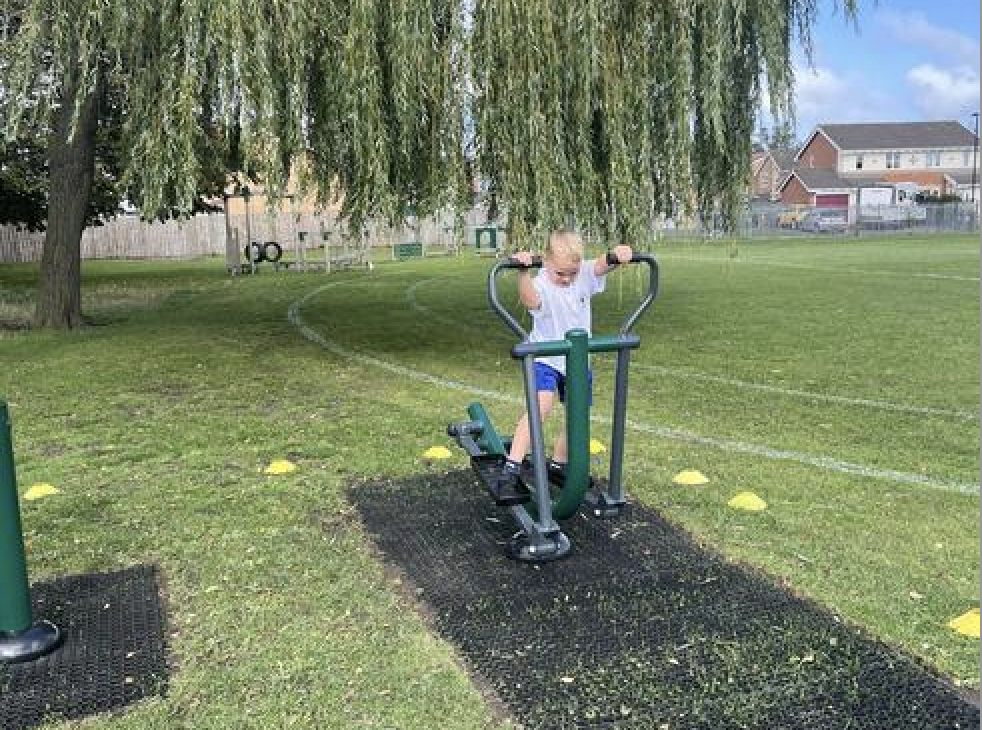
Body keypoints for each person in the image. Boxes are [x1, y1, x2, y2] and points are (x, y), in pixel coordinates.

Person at [493, 229, 633, 502]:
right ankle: (511, 468)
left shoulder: (583, 274)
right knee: (540, 407)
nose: (568, 279)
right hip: (545, 357)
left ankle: (558, 464)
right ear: (545, 261)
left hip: (577, 359)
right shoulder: (542, 282)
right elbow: (530, 301)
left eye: (572, 272)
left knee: (577, 416)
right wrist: (523, 271)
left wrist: (619, 255)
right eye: (561, 274)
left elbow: (603, 264)